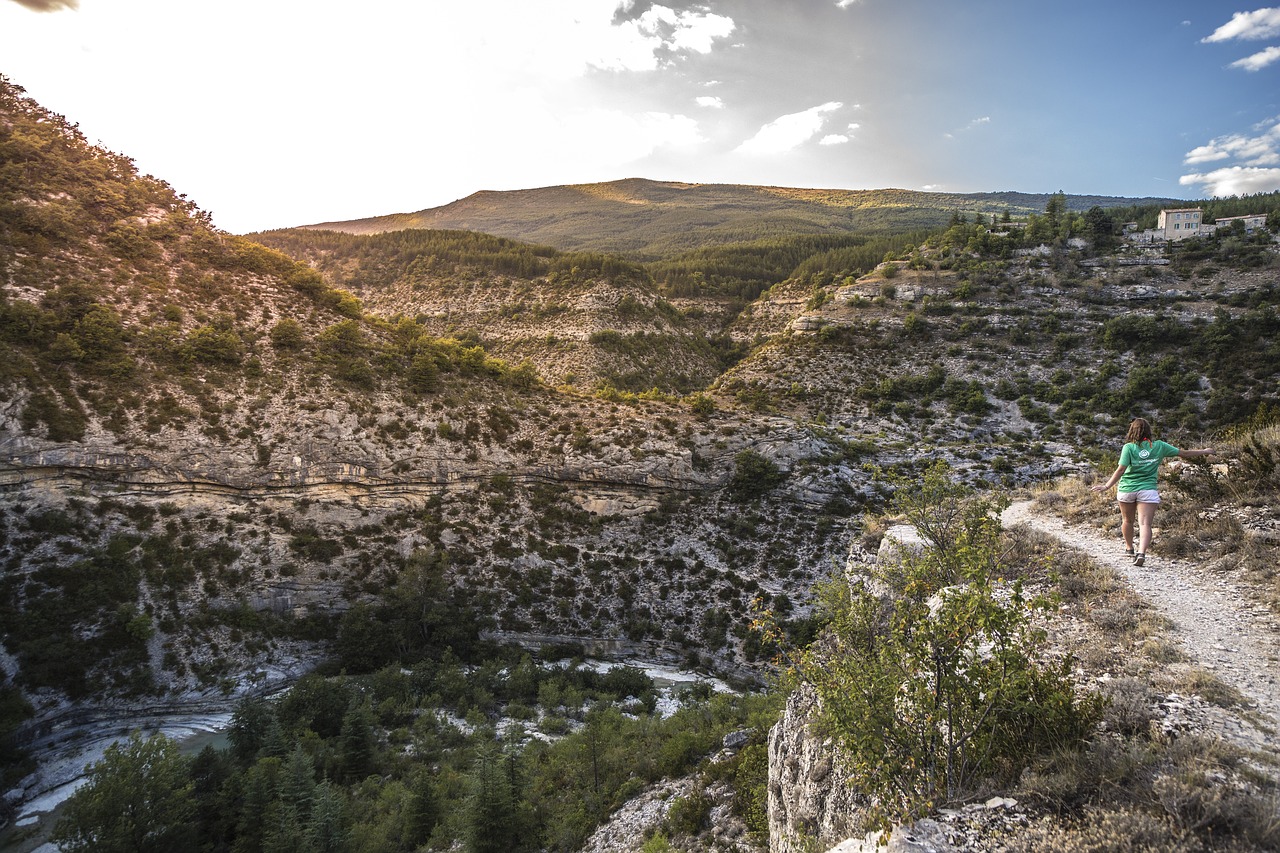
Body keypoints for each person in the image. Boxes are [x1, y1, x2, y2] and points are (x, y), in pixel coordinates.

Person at [1091, 417, 1215, 566]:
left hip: (1127, 489)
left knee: (1127, 520)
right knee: (1145, 524)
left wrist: (1107, 486)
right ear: (1149, 431)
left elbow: (1121, 469)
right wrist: (1205, 451)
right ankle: (1141, 553)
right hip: (1148, 489)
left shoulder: (1128, 447)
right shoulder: (1159, 446)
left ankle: (1129, 548)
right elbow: (1184, 454)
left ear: (1132, 431)